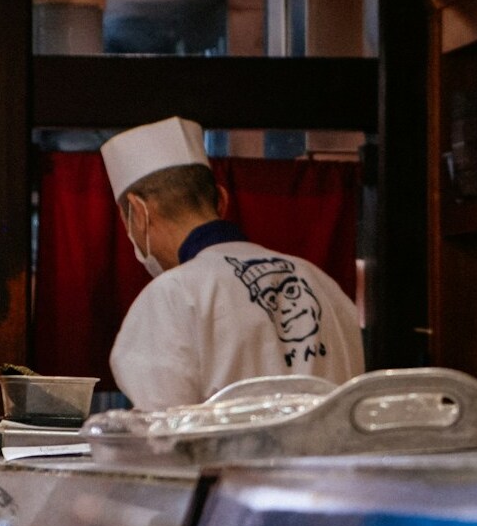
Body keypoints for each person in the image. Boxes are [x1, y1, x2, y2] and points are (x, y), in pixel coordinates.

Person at [102, 117, 363, 408]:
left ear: (139, 212)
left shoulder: (172, 295)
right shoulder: (322, 282)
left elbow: (162, 437)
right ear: (222, 200)